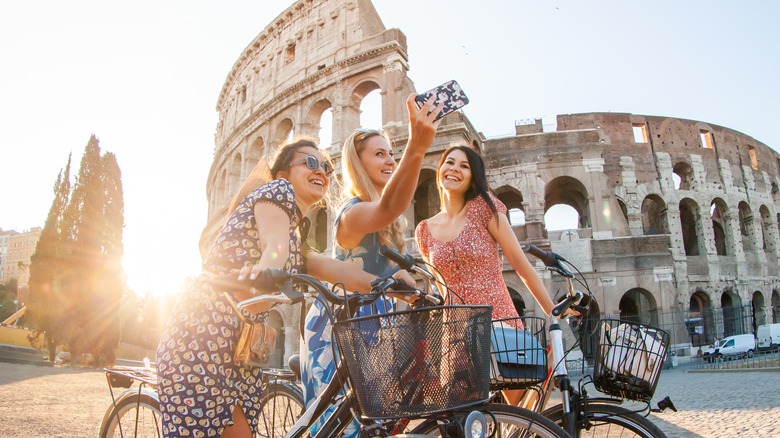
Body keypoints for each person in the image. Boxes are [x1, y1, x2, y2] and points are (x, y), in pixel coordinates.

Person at [156, 138, 408, 438]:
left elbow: (336, 269)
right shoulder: (277, 192)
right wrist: (267, 269)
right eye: (310, 163)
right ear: (282, 175)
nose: (322, 172)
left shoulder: (297, 232)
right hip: (203, 332)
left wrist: (388, 285)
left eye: (326, 166)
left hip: (239, 345)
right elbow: (274, 247)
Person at [301, 94, 442, 437]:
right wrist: (417, 148)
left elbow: (403, 277)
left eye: (392, 153)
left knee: (374, 426)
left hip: (376, 328)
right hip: (338, 326)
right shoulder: (352, 213)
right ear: (358, 163)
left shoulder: (388, 234)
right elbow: (388, 208)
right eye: (379, 154)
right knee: (344, 428)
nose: (390, 160)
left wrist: (430, 295)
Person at [415, 145, 566, 406]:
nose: (454, 169)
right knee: (461, 418)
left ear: (473, 177)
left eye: (465, 166)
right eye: (449, 162)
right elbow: (442, 289)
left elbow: (521, 264)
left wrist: (552, 310)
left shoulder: (486, 207)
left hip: (499, 321)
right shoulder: (424, 231)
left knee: (520, 415)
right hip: (457, 332)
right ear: (440, 169)